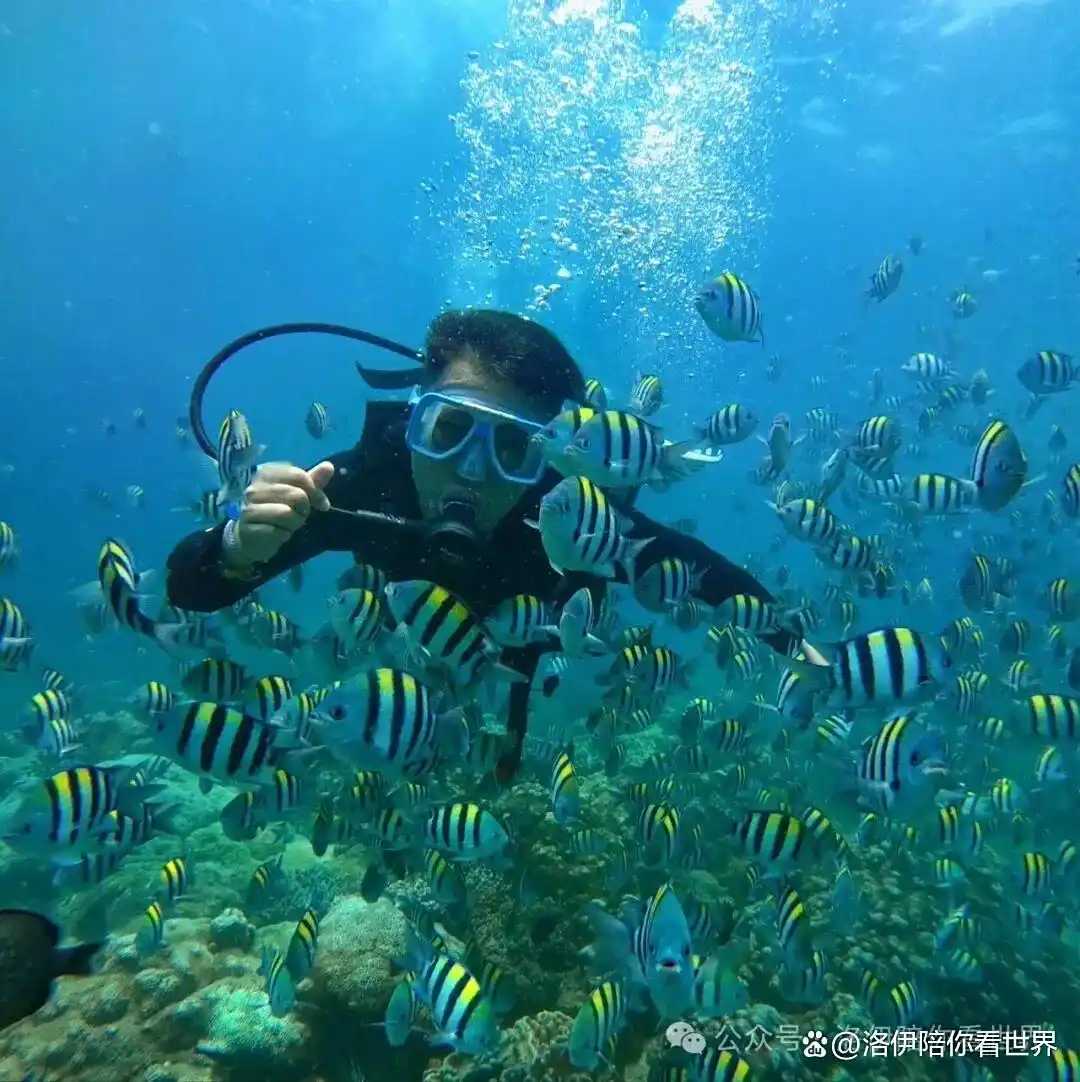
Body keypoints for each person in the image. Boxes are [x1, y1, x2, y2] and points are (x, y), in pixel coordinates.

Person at [166, 309, 813, 781]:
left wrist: (795, 645)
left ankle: (505, 754)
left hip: (535, 631)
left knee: (522, 693)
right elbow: (190, 589)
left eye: (513, 445)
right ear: (415, 416)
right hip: (415, 631)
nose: (472, 470)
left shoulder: (562, 508)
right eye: (448, 429)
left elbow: (696, 569)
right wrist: (236, 547)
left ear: (545, 454)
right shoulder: (367, 479)